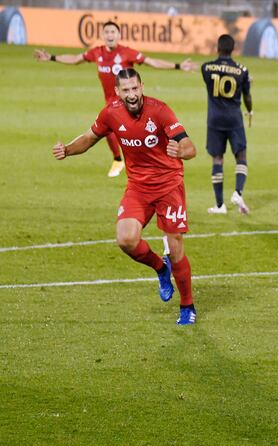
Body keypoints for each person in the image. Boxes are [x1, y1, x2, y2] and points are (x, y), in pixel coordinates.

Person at [51, 68, 198, 325]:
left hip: (169, 186)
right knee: (126, 239)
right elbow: (89, 138)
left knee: (176, 250)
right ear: (117, 92)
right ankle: (161, 269)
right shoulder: (111, 112)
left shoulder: (160, 110)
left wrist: (180, 151)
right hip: (138, 188)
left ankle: (187, 306)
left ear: (142, 86)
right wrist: (67, 150)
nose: (132, 94)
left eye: (135, 88)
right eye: (126, 90)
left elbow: (190, 147)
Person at [35, 21, 196, 177]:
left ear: (118, 35)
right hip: (112, 104)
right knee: (104, 131)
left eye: (113, 32)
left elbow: (151, 62)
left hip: (129, 104)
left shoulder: (127, 52)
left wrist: (177, 66)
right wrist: (52, 57)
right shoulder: (97, 52)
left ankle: (126, 161)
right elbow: (76, 59)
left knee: (126, 132)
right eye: (107, 32)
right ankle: (119, 160)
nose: (110, 35)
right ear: (102, 35)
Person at [201, 34, 253, 215]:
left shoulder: (206, 68)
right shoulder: (242, 70)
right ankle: (238, 192)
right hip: (234, 119)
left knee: (217, 159)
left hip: (215, 119)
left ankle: (220, 205)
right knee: (241, 155)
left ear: (218, 48)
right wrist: (250, 110)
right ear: (233, 49)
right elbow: (247, 95)